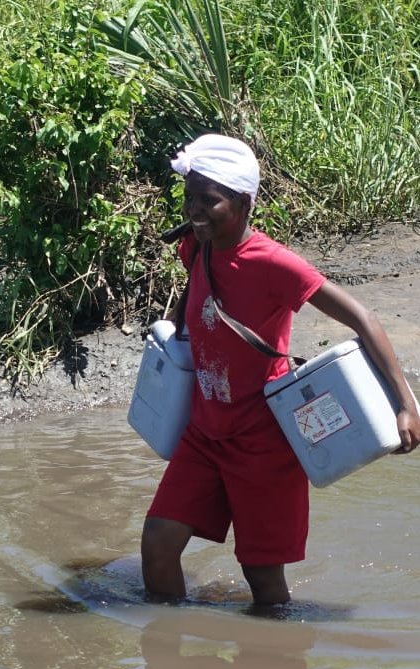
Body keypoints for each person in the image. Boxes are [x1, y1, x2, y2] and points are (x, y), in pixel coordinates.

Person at [141, 134, 420, 606]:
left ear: (245, 203)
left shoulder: (274, 263)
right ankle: (171, 654)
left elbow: (362, 317)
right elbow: (196, 290)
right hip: (204, 433)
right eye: (190, 198)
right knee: (157, 547)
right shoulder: (195, 245)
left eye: (209, 201)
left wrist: (406, 405)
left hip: (264, 442)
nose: (195, 211)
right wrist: (172, 342)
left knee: (263, 581)